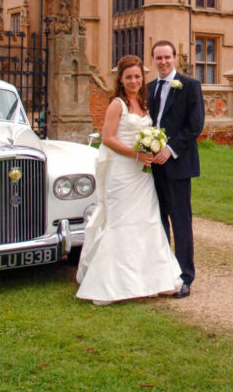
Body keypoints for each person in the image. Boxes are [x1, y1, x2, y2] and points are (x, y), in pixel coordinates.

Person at [76, 55, 182, 305]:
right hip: (123, 172)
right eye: (129, 77)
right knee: (122, 223)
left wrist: (153, 147)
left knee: (146, 221)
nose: (134, 81)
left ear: (142, 78)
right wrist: (136, 154)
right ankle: (112, 285)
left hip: (142, 175)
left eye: (137, 76)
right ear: (120, 80)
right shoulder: (117, 104)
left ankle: (151, 280)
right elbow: (108, 138)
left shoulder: (144, 103)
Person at [147, 40, 205, 298]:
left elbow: (195, 125)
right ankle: (162, 272)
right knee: (157, 221)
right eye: (158, 58)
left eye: (167, 57)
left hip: (178, 164)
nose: (163, 62)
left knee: (181, 222)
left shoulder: (190, 86)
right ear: (153, 59)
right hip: (151, 168)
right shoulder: (148, 88)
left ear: (175, 57)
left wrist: (169, 150)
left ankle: (185, 277)